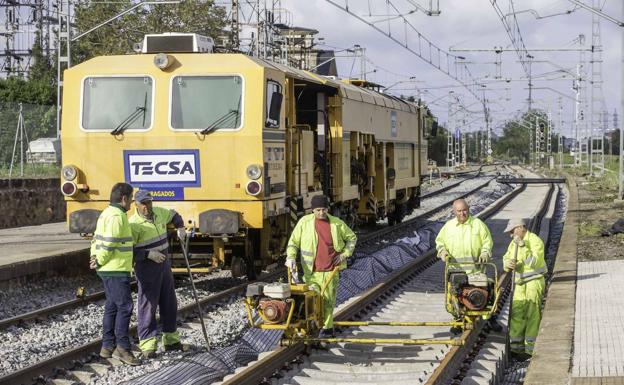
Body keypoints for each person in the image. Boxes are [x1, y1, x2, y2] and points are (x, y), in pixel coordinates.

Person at [285, 195, 357, 338]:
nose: (321, 213)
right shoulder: (304, 223)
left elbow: (352, 238)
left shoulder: (336, 224)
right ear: (312, 210)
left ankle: (327, 330)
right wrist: (291, 257)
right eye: (318, 210)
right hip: (311, 271)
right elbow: (293, 242)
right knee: (310, 300)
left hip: (331, 270)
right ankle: (311, 327)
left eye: (323, 209)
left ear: (327, 209)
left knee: (327, 301)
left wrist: (344, 254)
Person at [129, 190, 189, 358]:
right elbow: (128, 250)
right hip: (147, 268)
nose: (146, 206)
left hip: (164, 266)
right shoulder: (133, 224)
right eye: (142, 204)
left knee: (169, 303)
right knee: (148, 305)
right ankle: (148, 345)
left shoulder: (160, 213)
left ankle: (171, 341)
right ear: (136, 204)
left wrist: (180, 227)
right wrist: (148, 254)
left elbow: (174, 215)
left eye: (148, 202)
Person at [90, 182, 139, 365]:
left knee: (112, 307)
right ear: (124, 199)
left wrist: (94, 257)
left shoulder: (105, 213)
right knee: (125, 307)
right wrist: (100, 259)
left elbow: (96, 238)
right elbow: (109, 242)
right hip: (115, 268)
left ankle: (107, 347)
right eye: (131, 199)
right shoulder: (118, 216)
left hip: (108, 268)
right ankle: (122, 349)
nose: (132, 203)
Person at [435, 198, 494, 334]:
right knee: (454, 298)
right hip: (455, 271)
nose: (462, 213)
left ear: (469, 209)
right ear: (454, 212)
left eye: (465, 210)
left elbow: (487, 242)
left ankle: (487, 319)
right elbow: (439, 242)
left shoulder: (478, 225)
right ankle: (457, 321)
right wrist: (442, 251)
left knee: (480, 295)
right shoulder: (448, 227)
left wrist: (485, 252)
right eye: (459, 211)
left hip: (475, 269)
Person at [502, 218, 547, 360]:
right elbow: (506, 257)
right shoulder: (513, 243)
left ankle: (530, 350)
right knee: (517, 313)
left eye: (512, 231)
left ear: (521, 227)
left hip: (533, 282)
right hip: (520, 284)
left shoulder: (534, 241)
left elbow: (535, 262)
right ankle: (516, 348)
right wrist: (507, 264)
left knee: (532, 314)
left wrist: (523, 247)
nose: (511, 235)